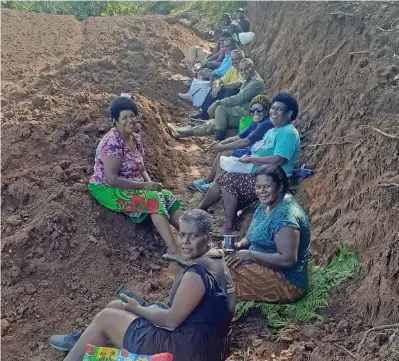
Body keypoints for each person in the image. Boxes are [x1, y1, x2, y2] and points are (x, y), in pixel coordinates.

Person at [49, 210, 236, 361]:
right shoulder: (216, 258)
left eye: (193, 236)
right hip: (204, 342)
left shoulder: (197, 274)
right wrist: (142, 309)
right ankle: (84, 341)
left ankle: (82, 346)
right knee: (116, 305)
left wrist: (139, 309)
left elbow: (171, 321)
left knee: (106, 318)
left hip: (188, 350)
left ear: (208, 237)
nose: (185, 242)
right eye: (182, 234)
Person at [88, 96, 182, 260]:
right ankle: (173, 250)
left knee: (167, 195)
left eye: (132, 116)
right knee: (153, 200)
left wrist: (149, 182)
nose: (129, 121)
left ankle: (193, 236)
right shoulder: (112, 142)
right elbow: (111, 179)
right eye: (124, 117)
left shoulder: (135, 138)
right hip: (106, 188)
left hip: (132, 183)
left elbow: (142, 167)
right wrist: (145, 187)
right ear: (115, 120)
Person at [199, 92, 300, 235]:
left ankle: (229, 227)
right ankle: (200, 209)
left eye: (279, 109)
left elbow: (279, 159)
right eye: (273, 108)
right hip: (258, 172)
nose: (274, 112)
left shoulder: (288, 133)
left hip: (274, 179)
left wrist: (252, 159)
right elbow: (247, 142)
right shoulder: (273, 131)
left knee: (227, 180)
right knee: (224, 176)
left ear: (289, 114)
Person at [226, 165, 310, 302]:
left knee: (221, 275)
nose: (261, 191)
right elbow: (250, 236)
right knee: (215, 260)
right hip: (261, 262)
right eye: (258, 187)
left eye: (267, 187)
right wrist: (238, 245)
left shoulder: (285, 216)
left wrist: (249, 254)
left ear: (280, 186)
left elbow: (288, 260)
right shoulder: (266, 204)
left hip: (285, 280)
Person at [188, 94, 273, 194]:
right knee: (223, 150)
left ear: (266, 111)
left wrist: (222, 147)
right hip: (252, 151)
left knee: (226, 151)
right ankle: (208, 181)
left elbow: (245, 141)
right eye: (252, 110)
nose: (255, 113)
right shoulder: (256, 123)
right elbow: (237, 137)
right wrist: (219, 143)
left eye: (259, 109)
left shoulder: (266, 124)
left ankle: (214, 186)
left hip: (257, 156)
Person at [171, 58, 265, 141]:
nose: (244, 72)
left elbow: (240, 98)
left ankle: (218, 140)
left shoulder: (256, 82)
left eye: (247, 69)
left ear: (253, 67)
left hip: (248, 113)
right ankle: (182, 132)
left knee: (220, 109)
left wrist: (218, 102)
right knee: (214, 122)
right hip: (241, 110)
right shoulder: (249, 79)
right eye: (241, 70)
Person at [189, 49, 245, 122]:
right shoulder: (232, 69)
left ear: (242, 60)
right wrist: (216, 84)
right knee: (214, 89)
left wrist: (221, 86)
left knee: (229, 90)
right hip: (229, 92)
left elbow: (238, 84)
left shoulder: (244, 70)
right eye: (232, 59)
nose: (234, 61)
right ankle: (205, 114)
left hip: (239, 96)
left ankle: (218, 116)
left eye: (236, 59)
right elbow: (221, 80)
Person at [178, 37, 237, 102]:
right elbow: (221, 66)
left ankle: (200, 98)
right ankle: (195, 94)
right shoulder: (228, 54)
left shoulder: (232, 56)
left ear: (233, 46)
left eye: (228, 46)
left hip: (223, 77)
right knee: (205, 70)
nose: (226, 48)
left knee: (205, 73)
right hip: (221, 74)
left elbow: (224, 71)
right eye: (225, 46)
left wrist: (211, 73)